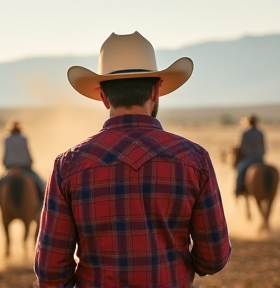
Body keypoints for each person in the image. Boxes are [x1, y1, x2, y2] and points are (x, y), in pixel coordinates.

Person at [34, 31, 231, 288]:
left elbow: (50, 269)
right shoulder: (194, 159)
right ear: (157, 91)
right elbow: (213, 258)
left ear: (103, 97)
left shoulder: (68, 165)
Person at [0, 121, 45, 206]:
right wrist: (31, 161)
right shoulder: (24, 138)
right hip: (25, 168)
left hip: (10, 168)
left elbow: (5, 156)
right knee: (40, 183)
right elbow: (28, 153)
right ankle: (44, 200)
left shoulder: (6, 139)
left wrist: (6, 163)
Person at [235, 114, 265, 196]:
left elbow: (242, 147)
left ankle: (239, 189)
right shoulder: (260, 132)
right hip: (260, 158)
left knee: (240, 169)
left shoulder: (245, 133)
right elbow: (264, 147)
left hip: (249, 158)